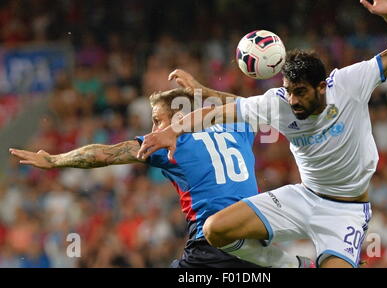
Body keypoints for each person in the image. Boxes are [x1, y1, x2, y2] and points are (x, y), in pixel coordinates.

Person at [136, 0, 387, 268]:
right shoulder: (278, 103)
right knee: (215, 230)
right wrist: (174, 129)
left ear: (321, 87)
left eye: (300, 92)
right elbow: (215, 114)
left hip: (345, 211)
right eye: (288, 91)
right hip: (303, 198)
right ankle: (292, 266)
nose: (293, 100)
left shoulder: (350, 83)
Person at [10, 86, 311, 268]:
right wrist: (205, 93)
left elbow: (104, 154)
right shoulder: (236, 129)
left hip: (212, 245)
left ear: (179, 118)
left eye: (158, 121)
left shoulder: (172, 142)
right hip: (254, 238)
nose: (154, 130)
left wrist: (54, 160)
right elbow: (246, 105)